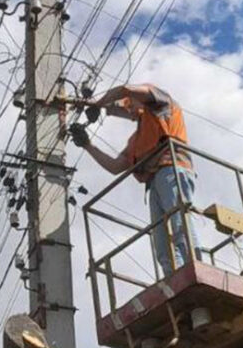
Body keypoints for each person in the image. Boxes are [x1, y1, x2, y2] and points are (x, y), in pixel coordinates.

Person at [70, 84, 199, 277]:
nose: (128, 108)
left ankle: (195, 270)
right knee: (163, 245)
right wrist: (87, 145)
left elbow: (125, 89)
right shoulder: (137, 139)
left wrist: (98, 103)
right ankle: (176, 280)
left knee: (179, 225)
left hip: (172, 169)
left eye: (130, 105)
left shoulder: (162, 104)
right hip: (154, 181)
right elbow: (115, 167)